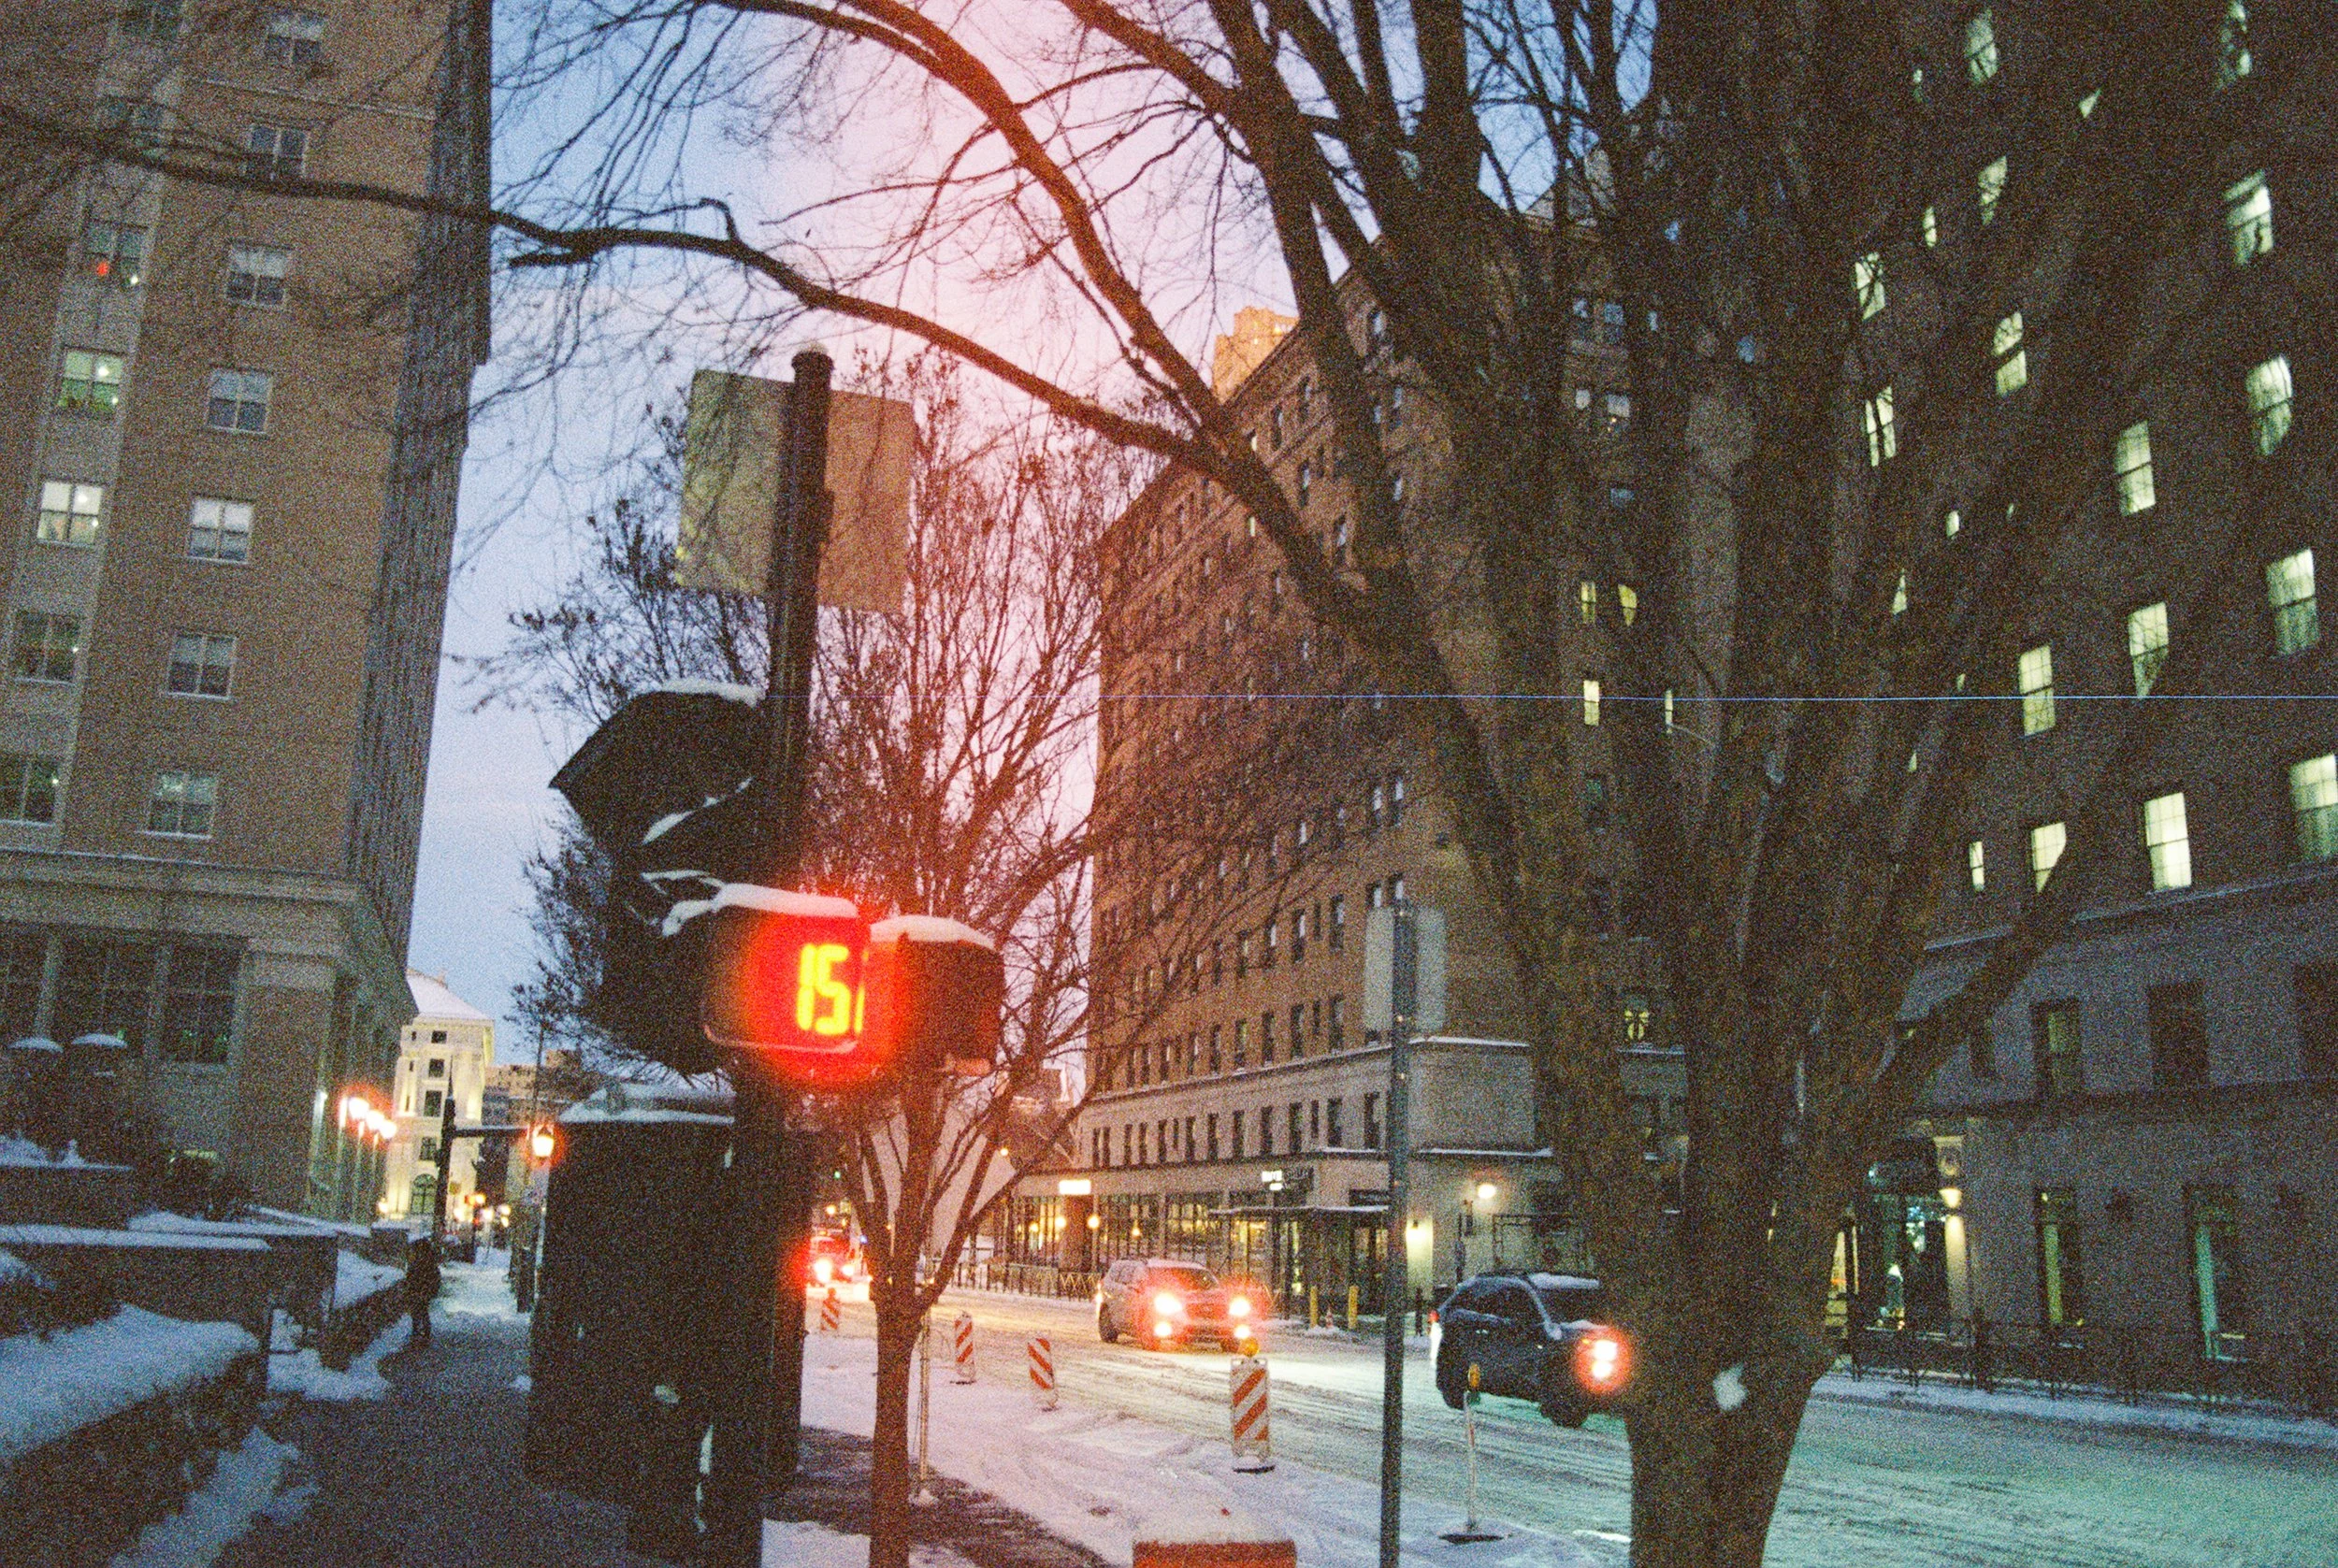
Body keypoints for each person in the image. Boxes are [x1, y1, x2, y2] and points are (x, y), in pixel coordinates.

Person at [404, 1235, 442, 1346]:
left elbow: (412, 1275)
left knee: (418, 1310)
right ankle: (423, 1333)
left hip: (419, 1289)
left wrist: (412, 1287)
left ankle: (418, 1332)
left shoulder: (420, 1262)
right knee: (422, 1310)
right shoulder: (429, 1261)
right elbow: (435, 1277)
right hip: (424, 1289)